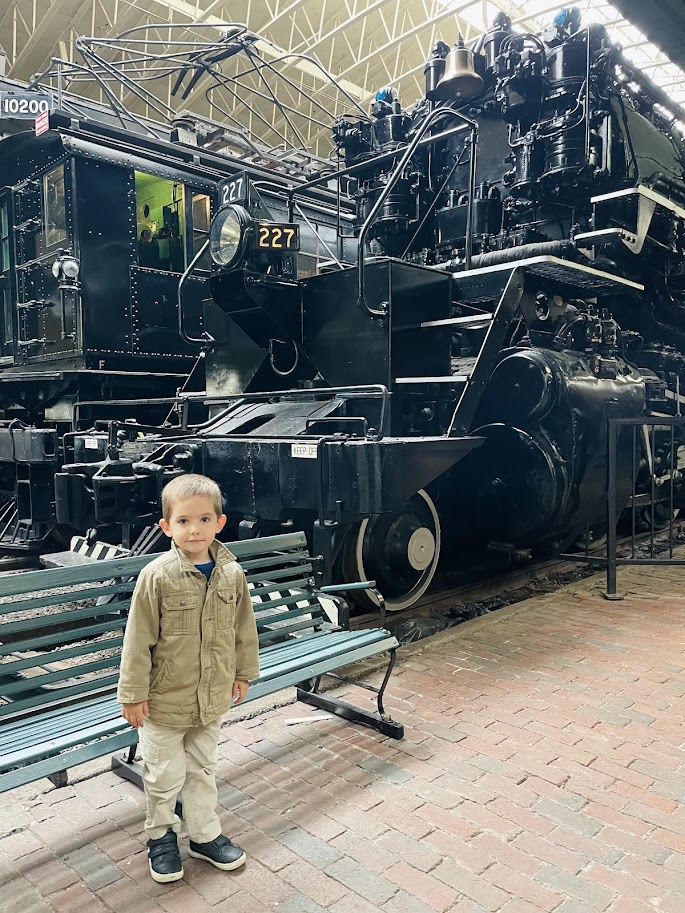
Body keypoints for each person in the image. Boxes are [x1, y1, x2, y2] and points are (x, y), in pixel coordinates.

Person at [117, 474, 259, 884]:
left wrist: (244, 672)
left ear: (220, 522)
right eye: (183, 521)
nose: (194, 529)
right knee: (163, 776)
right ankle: (161, 836)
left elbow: (243, 629)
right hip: (164, 701)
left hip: (211, 698)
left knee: (202, 770)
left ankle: (203, 835)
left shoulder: (232, 574)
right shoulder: (157, 576)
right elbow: (137, 639)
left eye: (203, 519)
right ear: (166, 527)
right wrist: (132, 694)